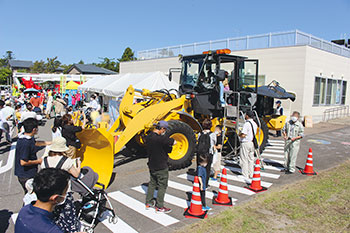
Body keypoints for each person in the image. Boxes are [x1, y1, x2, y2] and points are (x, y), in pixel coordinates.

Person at [15, 168, 70, 233]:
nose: (66, 195)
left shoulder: (24, 210)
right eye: (65, 192)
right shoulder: (51, 230)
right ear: (55, 198)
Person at [145, 121, 176, 213]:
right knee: (162, 185)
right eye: (164, 129)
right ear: (162, 129)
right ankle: (159, 206)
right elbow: (173, 142)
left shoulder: (149, 137)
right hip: (161, 166)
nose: (164, 131)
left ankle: (148, 202)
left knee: (152, 183)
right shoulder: (161, 139)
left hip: (152, 165)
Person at [14, 118, 51, 193]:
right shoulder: (25, 143)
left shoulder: (26, 137)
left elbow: (35, 143)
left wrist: (49, 143)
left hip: (29, 172)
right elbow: (23, 162)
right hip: (26, 175)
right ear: (34, 129)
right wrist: (38, 161)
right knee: (31, 195)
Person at [197, 119, 216, 188]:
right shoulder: (212, 134)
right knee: (207, 169)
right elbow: (214, 143)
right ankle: (205, 184)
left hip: (200, 153)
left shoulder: (200, 134)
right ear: (211, 126)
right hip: (208, 153)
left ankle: (199, 183)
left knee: (199, 167)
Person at [239, 111, 258, 180]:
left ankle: (245, 175)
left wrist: (239, 134)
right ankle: (251, 173)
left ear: (247, 116)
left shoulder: (246, 124)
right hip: (251, 142)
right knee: (251, 159)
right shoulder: (255, 124)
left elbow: (244, 134)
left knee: (244, 159)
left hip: (245, 143)